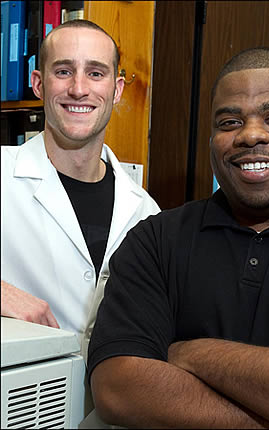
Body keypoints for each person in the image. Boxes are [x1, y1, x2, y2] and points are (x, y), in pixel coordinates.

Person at [87, 47, 269, 428]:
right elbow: (118, 388)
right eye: (229, 123)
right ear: (212, 138)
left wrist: (196, 354)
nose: (252, 135)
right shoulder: (156, 241)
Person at [1, 19, 160, 362]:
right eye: (63, 71)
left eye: (96, 73)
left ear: (116, 90)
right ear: (38, 84)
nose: (78, 88)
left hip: (110, 410)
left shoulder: (147, 213)